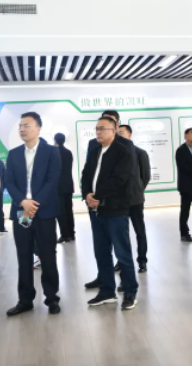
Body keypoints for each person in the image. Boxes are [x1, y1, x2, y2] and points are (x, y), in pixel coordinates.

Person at [5, 112, 62, 317]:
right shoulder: (14, 154)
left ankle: (52, 298)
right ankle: (25, 300)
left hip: (43, 212)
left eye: (26, 125)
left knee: (47, 256)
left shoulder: (51, 152)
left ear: (38, 128)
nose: (22, 129)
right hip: (22, 212)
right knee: (24, 255)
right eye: (20, 126)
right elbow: (9, 181)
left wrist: (34, 204)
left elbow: (52, 180)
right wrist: (23, 202)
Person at [82, 117, 138, 310]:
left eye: (103, 129)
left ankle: (130, 293)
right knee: (101, 253)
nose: (98, 132)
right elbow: (85, 175)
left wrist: (97, 195)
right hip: (96, 211)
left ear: (114, 131)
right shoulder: (95, 151)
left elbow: (119, 180)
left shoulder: (123, 151)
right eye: (97, 128)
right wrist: (87, 195)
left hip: (115, 210)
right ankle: (107, 292)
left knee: (122, 254)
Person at [117, 125, 151, 273]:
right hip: (119, 201)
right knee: (120, 234)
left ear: (130, 135)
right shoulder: (115, 154)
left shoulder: (140, 153)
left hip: (136, 200)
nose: (119, 135)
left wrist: (137, 190)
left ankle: (142, 260)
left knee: (139, 231)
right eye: (117, 133)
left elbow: (146, 176)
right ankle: (122, 261)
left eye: (121, 133)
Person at [54, 133, 76, 244]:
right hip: (68, 184)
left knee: (61, 211)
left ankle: (65, 235)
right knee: (69, 210)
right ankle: (71, 233)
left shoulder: (55, 152)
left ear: (55, 140)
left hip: (59, 186)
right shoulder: (68, 152)